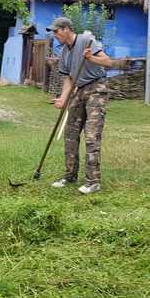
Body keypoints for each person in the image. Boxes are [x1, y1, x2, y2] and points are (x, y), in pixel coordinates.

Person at [48, 16, 110, 194]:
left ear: (66, 29)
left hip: (96, 87)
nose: (55, 35)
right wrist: (62, 99)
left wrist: (91, 58)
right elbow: (68, 79)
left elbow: (107, 62)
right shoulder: (64, 52)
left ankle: (93, 181)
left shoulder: (86, 40)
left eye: (56, 31)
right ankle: (70, 175)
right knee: (70, 133)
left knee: (91, 135)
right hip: (79, 89)